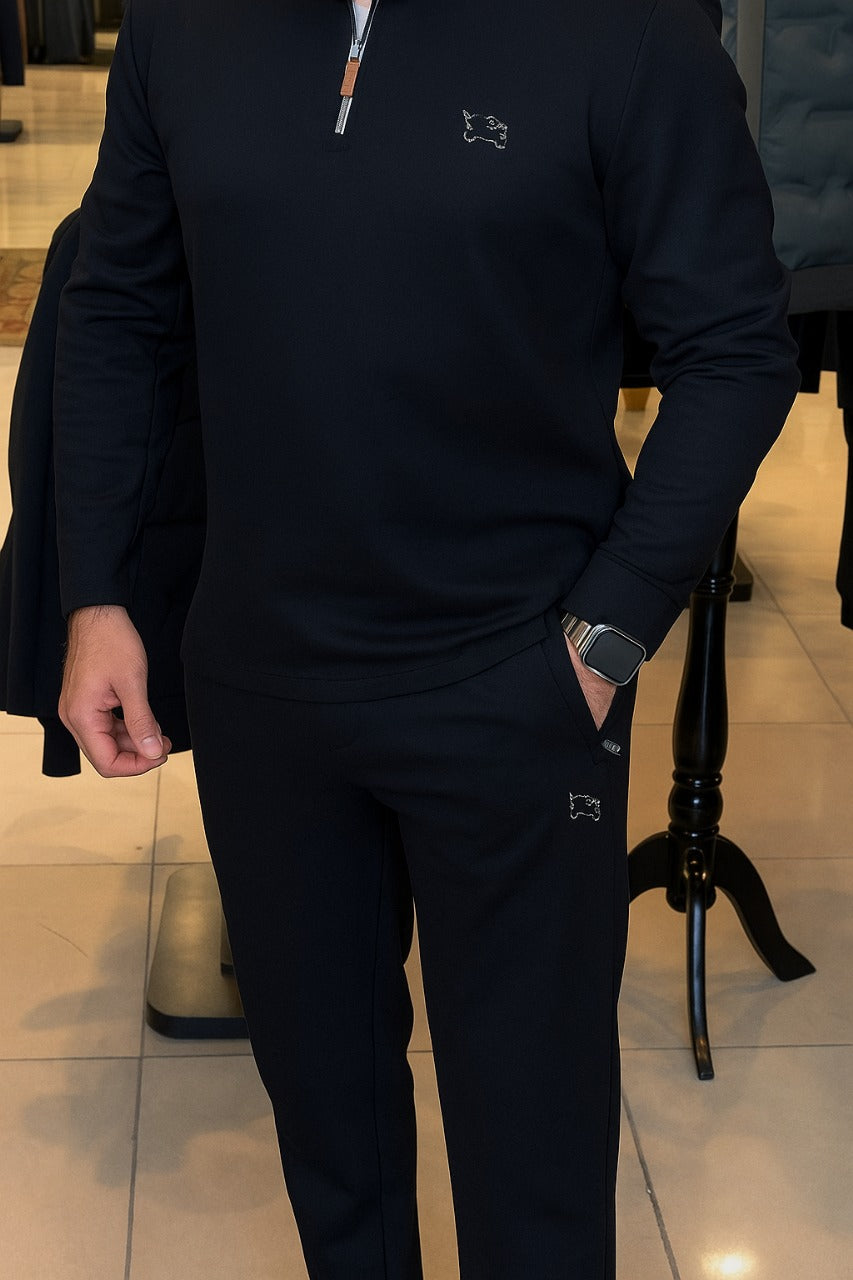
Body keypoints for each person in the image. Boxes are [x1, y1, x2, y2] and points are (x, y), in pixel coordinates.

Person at [53, 1, 801, 1277]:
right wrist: (97, 593)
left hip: (518, 683)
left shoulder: (625, 30)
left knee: (534, 1165)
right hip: (261, 683)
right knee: (331, 1147)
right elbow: (120, 310)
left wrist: (605, 638)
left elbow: (734, 348)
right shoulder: (183, 24)